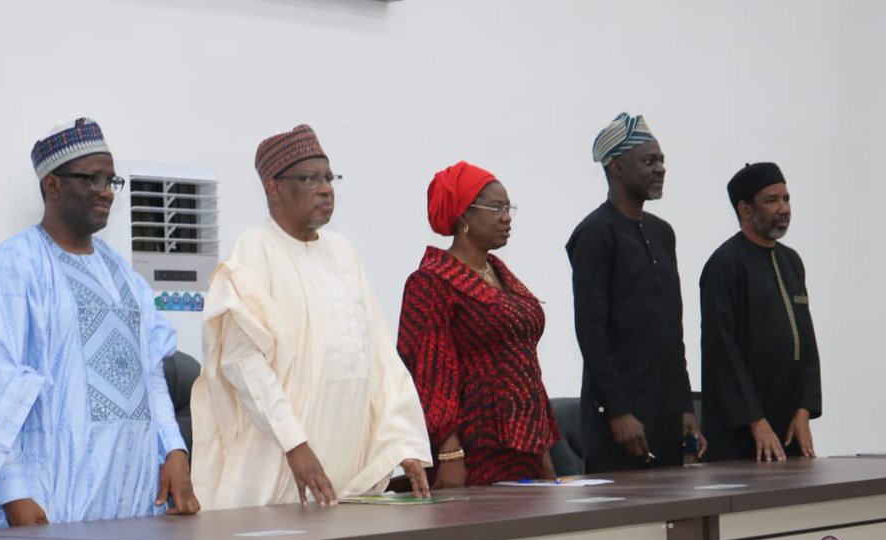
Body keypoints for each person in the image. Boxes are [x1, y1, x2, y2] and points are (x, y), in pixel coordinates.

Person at [0, 118, 198, 532]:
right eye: (92, 177)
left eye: (111, 180)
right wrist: (13, 491)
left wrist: (174, 451)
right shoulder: (12, 269)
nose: (105, 191)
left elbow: (150, 372)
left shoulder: (125, 277)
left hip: (131, 490)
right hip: (49, 492)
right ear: (52, 185)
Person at [191, 124, 430, 509]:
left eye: (329, 178)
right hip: (278, 462)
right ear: (273, 187)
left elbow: (380, 356)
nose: (326, 189)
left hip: (344, 463)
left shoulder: (343, 253)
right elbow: (242, 359)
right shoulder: (255, 250)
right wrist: (294, 442)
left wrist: (403, 442)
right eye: (310, 178)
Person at [398, 162, 559, 487]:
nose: (507, 216)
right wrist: (450, 453)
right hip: (475, 449)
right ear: (464, 216)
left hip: (526, 441)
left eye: (509, 207)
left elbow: (524, 362)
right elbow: (431, 375)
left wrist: (543, 447)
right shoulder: (431, 281)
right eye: (497, 208)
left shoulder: (502, 275)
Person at [566, 112, 705, 472]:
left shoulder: (663, 233)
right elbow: (591, 331)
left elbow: (672, 331)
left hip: (667, 412)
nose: (660, 168)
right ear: (617, 168)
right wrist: (618, 412)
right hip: (621, 421)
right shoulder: (595, 234)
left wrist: (685, 408)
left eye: (661, 160)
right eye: (649, 160)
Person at [700, 162, 820, 462]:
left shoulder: (792, 261)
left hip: (790, 426)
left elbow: (806, 342)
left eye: (786, 199)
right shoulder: (724, 264)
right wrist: (755, 420)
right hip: (743, 432)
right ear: (745, 209)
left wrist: (804, 411)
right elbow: (721, 352)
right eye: (772, 200)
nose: (784, 208)